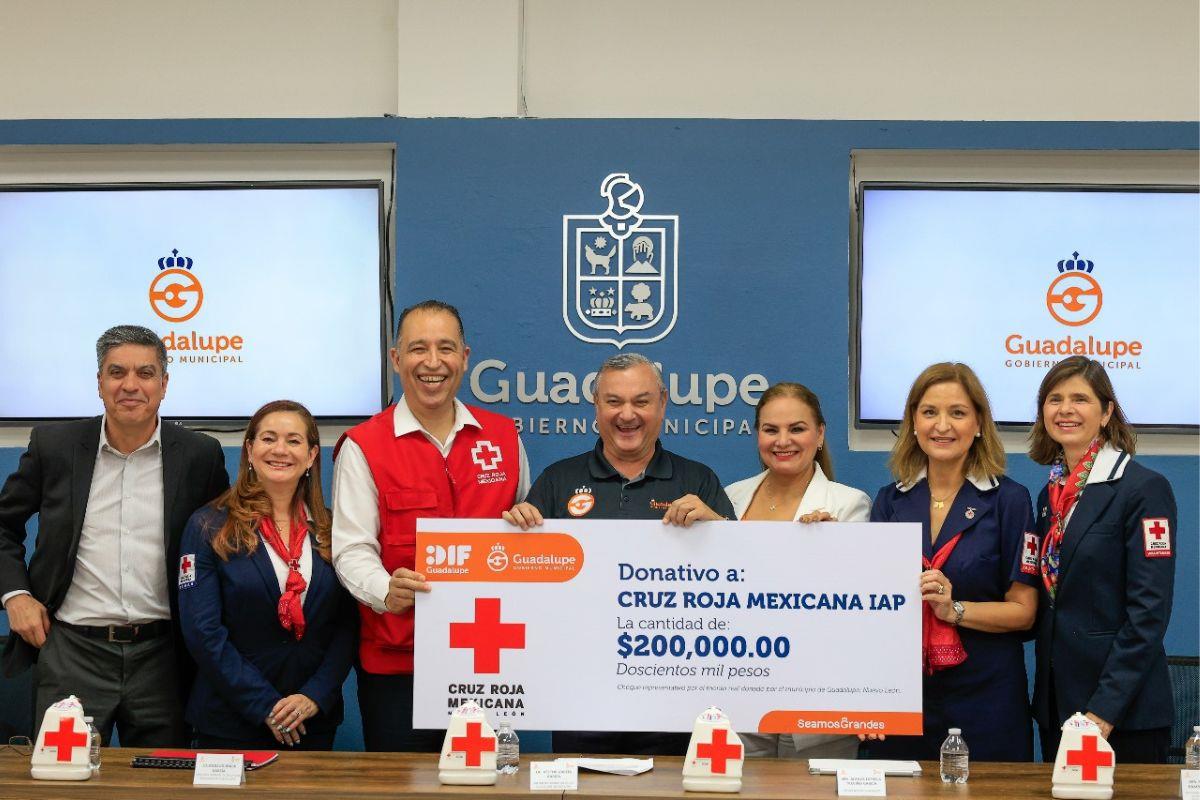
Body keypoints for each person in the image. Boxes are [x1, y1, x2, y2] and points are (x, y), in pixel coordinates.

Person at [0, 325, 228, 746]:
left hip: (164, 656)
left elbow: (220, 548)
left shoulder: (199, 455)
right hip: (72, 652)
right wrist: (17, 596)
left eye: (145, 373)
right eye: (116, 372)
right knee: (63, 781)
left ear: (164, 383)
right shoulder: (55, 446)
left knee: (163, 781)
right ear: (99, 382)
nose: (130, 385)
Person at [504, 352, 735, 756]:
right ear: (596, 406)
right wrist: (518, 531)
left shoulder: (697, 480)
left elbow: (740, 581)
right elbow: (524, 589)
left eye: (641, 401)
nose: (627, 414)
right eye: (614, 401)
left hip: (674, 694)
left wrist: (719, 530)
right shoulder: (559, 480)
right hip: (580, 693)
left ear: (662, 403)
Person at [332, 299, 530, 752]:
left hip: (491, 661)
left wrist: (527, 523)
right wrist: (385, 589)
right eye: (418, 348)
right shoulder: (364, 445)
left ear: (465, 356)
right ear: (396, 359)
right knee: (405, 787)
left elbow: (526, 532)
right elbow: (350, 548)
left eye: (446, 348)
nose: (433, 362)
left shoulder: (504, 437)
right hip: (400, 662)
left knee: (489, 784)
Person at [866, 362, 1037, 762]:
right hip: (905, 695)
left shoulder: (1009, 500)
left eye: (957, 413)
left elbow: (1024, 613)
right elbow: (871, 614)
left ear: (978, 423)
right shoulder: (890, 500)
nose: (942, 425)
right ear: (912, 422)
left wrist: (953, 609)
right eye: (929, 412)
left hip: (986, 695)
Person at [178, 400, 355, 750]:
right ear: (250, 449)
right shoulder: (208, 525)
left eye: (293, 441)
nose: (279, 450)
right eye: (268, 438)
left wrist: (314, 696)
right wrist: (264, 706)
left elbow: (349, 626)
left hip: (311, 721)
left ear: (311, 455)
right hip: (230, 721)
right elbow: (203, 632)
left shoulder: (334, 529)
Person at [1028, 356, 1176, 764]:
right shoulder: (1050, 497)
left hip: (1121, 715)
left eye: (1081, 399)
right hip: (1058, 706)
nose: (1065, 409)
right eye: (1054, 399)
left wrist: (1103, 713)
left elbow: (1148, 612)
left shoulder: (1144, 489)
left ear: (1107, 412)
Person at [724, 382, 870, 759]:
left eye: (797, 429)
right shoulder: (729, 497)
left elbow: (859, 607)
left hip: (818, 692)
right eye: (771, 430)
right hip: (740, 689)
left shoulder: (848, 505)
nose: (782, 440)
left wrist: (832, 551)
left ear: (819, 434)